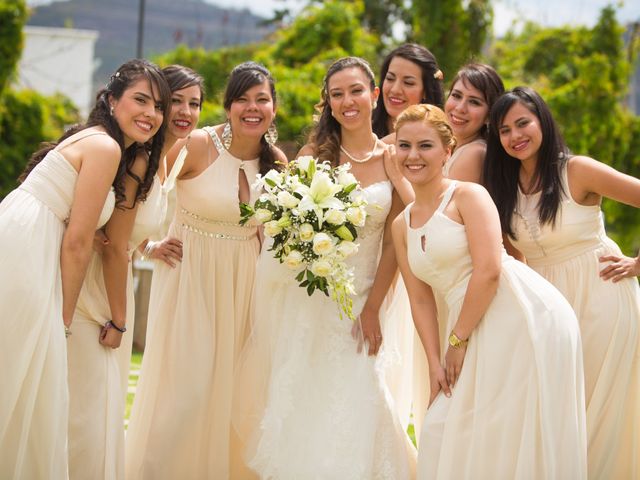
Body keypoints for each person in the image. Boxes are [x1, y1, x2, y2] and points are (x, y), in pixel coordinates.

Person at [241, 56, 416, 479]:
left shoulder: (394, 154)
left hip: (364, 300)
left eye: (356, 91)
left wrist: (373, 305)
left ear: (374, 95)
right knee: (305, 393)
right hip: (312, 300)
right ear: (328, 103)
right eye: (337, 94)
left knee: (361, 395)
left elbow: (402, 234)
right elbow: (287, 232)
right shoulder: (311, 156)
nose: (347, 101)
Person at [392, 104, 587, 479]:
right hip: (465, 327)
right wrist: (434, 362)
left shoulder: (469, 196)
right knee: (439, 428)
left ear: (447, 151)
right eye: (404, 146)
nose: (413, 155)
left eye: (425, 146)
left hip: (517, 316)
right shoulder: (402, 225)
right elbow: (420, 299)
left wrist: (457, 340)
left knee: (507, 434)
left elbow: (489, 271)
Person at [0, 58, 168, 479]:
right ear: (112, 101)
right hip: (27, 250)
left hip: (29, 235)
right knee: (23, 365)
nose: (151, 113)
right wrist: (64, 321)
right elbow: (76, 243)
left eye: (158, 106)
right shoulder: (106, 147)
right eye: (141, 100)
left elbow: (79, 226)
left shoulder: (104, 144)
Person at [125, 61, 287, 480]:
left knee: (240, 394)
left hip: (248, 285)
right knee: (188, 392)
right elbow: (141, 187)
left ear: (274, 106)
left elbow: (275, 232)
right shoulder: (197, 144)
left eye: (262, 99)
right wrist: (148, 245)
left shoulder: (278, 162)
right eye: (242, 99)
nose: (252, 108)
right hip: (192, 276)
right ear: (228, 105)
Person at [483, 86, 640, 479]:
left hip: (601, 295)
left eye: (523, 123)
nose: (516, 135)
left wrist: (638, 263)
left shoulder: (577, 170)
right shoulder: (503, 186)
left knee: (598, 410)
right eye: (504, 130)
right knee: (557, 411)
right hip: (547, 306)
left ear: (542, 121)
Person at [67, 64, 201, 480]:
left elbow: (122, 226)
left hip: (112, 279)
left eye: (192, 103)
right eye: (171, 101)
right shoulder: (139, 156)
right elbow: (111, 245)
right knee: (83, 405)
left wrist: (151, 245)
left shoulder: (165, 159)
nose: (182, 111)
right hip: (95, 287)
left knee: (99, 402)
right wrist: (121, 320)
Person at [372, 43, 444, 436]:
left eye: (408, 82)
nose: (395, 88)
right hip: (361, 272)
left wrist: (396, 167)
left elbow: (428, 214)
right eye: (390, 78)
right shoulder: (369, 140)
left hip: (414, 281)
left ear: (427, 92)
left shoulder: (433, 145)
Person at [443, 63, 504, 183]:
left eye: (474, 102)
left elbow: (438, 203)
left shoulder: (475, 153)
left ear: (489, 116)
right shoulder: (452, 148)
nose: (460, 108)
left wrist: (398, 174)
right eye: (456, 95)